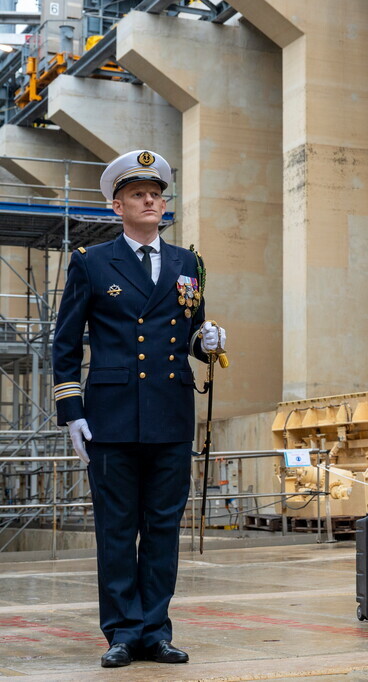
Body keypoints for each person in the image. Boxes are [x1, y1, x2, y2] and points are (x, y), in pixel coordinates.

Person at [52, 150, 228, 668]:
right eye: (138, 194)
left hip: (170, 413)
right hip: (110, 414)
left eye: (156, 193)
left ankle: (155, 630)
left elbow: (188, 338)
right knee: (116, 528)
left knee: (162, 528)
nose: (151, 200)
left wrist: (208, 342)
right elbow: (65, 345)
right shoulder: (91, 261)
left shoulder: (187, 263)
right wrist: (72, 411)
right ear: (117, 206)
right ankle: (123, 632)